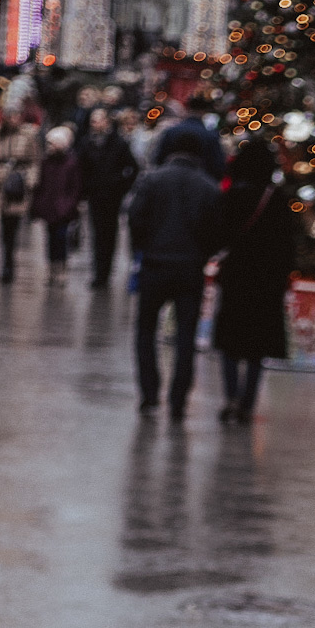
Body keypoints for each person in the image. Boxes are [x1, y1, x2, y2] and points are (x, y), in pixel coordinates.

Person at [127, 129, 220, 420]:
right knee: (185, 336)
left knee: (145, 332)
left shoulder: (153, 180)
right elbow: (215, 231)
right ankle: (178, 399)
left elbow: (135, 219)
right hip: (189, 268)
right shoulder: (208, 187)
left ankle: (149, 393)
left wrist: (142, 248)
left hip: (155, 264)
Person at [208, 138, 293, 425]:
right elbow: (289, 246)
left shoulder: (231, 197)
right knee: (257, 347)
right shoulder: (279, 199)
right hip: (267, 282)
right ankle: (248, 402)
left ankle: (230, 396)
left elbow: (218, 235)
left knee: (230, 342)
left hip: (236, 277)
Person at [76, 106, 138, 288]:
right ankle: (98, 272)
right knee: (96, 234)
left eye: (98, 120)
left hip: (112, 196)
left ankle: (105, 272)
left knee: (109, 234)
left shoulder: (118, 143)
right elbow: (81, 168)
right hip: (95, 194)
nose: (95, 124)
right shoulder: (87, 142)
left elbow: (133, 167)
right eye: (93, 121)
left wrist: (121, 185)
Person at [0, 107, 41, 284]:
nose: (13, 119)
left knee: (12, 226)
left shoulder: (28, 135)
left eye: (16, 116)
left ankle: (9, 263)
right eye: (10, 116)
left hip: (18, 183)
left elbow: (34, 160)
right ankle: (1, 262)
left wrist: (30, 181)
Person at [31, 126, 81, 287]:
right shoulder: (46, 162)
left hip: (63, 209)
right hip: (49, 207)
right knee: (50, 241)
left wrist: (68, 205)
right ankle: (52, 270)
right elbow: (41, 184)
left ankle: (61, 270)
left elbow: (75, 187)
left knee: (61, 240)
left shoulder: (71, 163)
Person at [154, 90, 225, 179]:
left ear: (188, 109)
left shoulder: (171, 131)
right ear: (203, 111)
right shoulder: (210, 135)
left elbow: (158, 159)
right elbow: (217, 166)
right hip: (200, 183)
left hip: (169, 180)